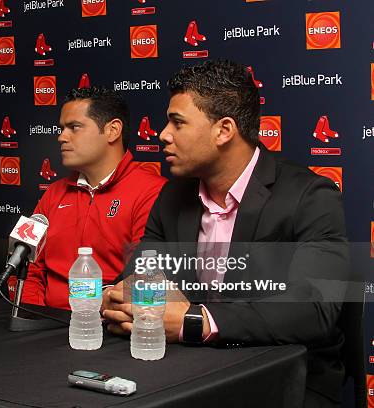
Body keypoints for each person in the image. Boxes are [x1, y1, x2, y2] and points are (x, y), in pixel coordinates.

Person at [102, 60, 348, 407]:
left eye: (178, 122)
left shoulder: (310, 196)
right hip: (191, 371)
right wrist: (129, 294)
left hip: (284, 378)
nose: (163, 134)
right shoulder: (172, 195)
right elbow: (142, 276)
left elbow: (315, 308)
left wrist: (195, 321)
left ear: (224, 130)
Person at [21, 87, 167, 309]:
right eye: (62, 128)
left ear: (112, 130)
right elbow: (31, 269)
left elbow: (147, 280)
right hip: (44, 323)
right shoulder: (53, 193)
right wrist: (30, 316)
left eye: (74, 127)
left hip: (109, 329)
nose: (61, 137)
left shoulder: (151, 192)